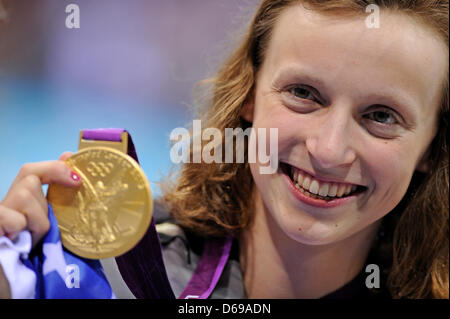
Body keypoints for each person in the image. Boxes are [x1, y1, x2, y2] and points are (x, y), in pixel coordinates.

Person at [0, 0, 448, 299]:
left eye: (382, 116)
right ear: (249, 93)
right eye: (304, 93)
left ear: (433, 145)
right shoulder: (103, 270)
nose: (329, 151)